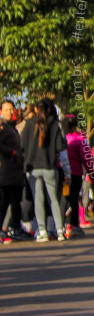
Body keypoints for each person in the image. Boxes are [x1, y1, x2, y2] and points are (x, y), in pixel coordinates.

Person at [20, 98, 70, 242]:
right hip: (50, 167)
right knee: (53, 199)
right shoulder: (55, 124)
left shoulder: (29, 124)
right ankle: (60, 230)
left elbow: (21, 146)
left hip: (32, 168)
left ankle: (42, 231)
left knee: (38, 199)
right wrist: (67, 172)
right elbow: (62, 150)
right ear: (49, 109)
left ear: (36, 109)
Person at [0, 99, 28, 242]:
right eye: (6, 109)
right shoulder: (2, 127)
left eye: (12, 109)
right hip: (6, 171)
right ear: (1, 112)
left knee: (16, 201)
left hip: (16, 171)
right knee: (4, 202)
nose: (10, 112)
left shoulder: (12, 127)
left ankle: (16, 228)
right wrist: (11, 153)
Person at [61, 115, 88, 237]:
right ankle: (74, 225)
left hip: (62, 174)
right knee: (74, 199)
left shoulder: (60, 138)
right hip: (75, 174)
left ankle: (61, 225)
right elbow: (85, 158)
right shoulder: (78, 139)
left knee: (63, 199)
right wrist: (90, 171)